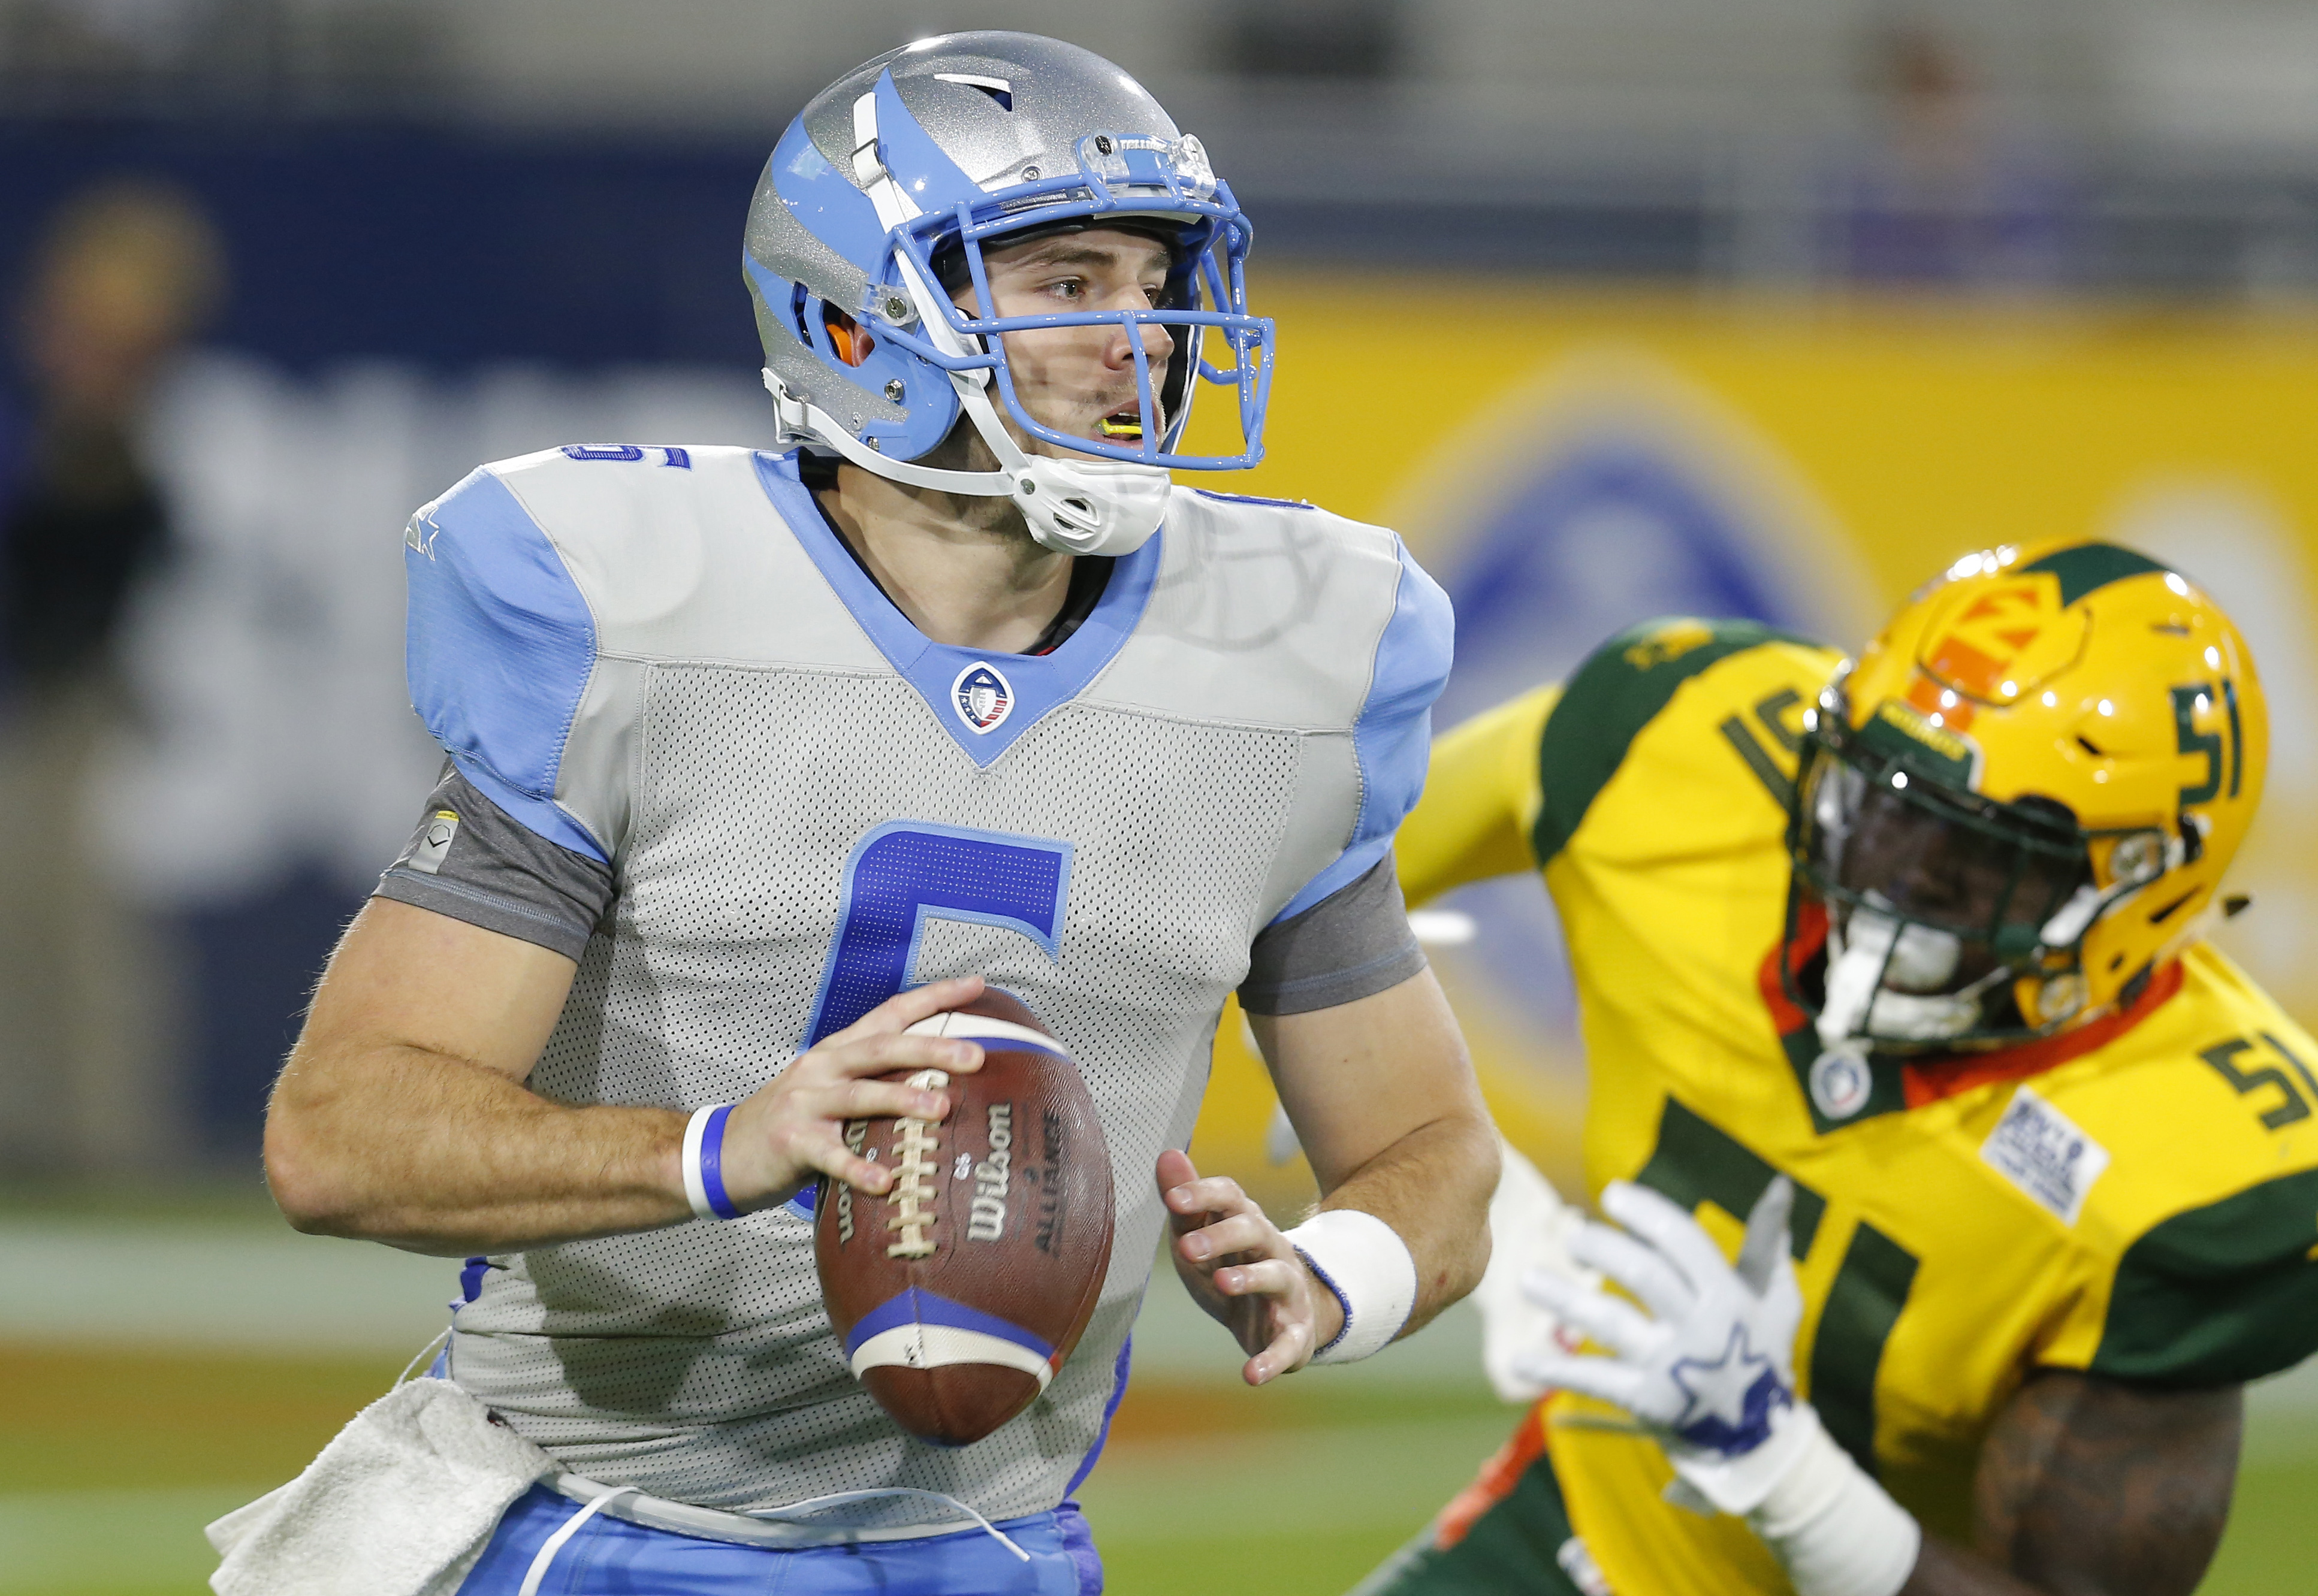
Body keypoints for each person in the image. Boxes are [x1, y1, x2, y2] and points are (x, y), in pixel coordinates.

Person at [242, 32, 1496, 1596]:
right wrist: (719, 1147)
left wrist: (1340, 1270)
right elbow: (339, 1133)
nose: (1143, 340)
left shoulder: (1281, 656)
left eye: (1157, 280)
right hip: (597, 1529)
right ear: (854, 320)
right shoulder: (650, 607)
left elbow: (1428, 1147)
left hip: (997, 1542)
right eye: (1065, 283)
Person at [1359, 542, 2318, 1596]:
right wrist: (1359, 1050)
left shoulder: (2208, 1168)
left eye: (1974, 857)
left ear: (2140, 889)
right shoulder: (1676, 747)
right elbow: (1310, 865)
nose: (1889, 879)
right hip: (1587, 1537)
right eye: (1882, 803)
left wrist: (1784, 1472)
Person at [0, 181, 221, 1177]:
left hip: (75, 706)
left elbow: (85, 595)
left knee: (79, 923)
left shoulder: (121, 456)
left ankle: (102, 1142)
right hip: (52, 701)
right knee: (37, 916)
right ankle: (52, 1131)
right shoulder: (62, 440)